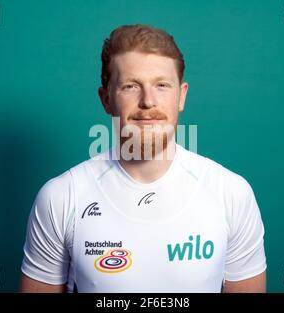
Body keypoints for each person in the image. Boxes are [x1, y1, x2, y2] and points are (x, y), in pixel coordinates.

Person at [20, 24, 267, 293]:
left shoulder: (230, 194)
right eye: (130, 86)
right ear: (106, 99)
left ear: (181, 95)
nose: (148, 101)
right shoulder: (61, 197)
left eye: (162, 85)